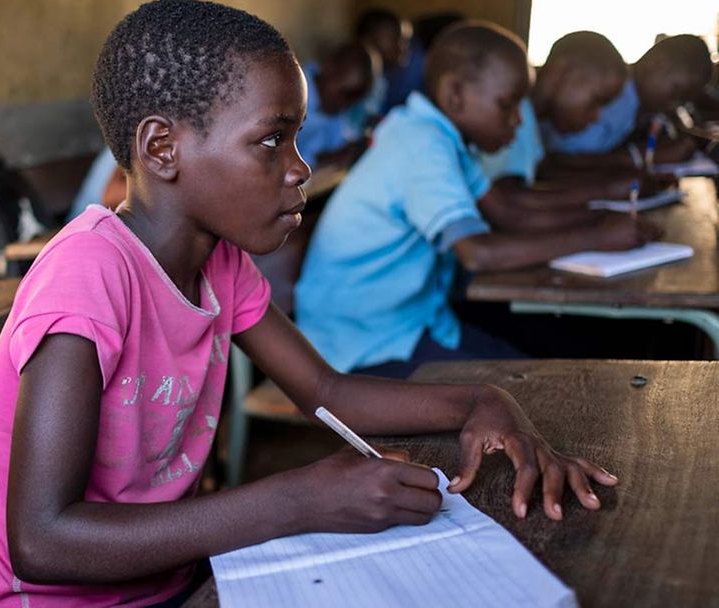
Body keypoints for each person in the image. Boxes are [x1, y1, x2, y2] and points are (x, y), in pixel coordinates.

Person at [0, 5, 621, 607]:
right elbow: (42, 541)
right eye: (271, 141)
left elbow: (325, 388)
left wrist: (484, 401)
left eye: (297, 140)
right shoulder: (86, 278)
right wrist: (297, 499)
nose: (299, 167)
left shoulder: (218, 262)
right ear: (162, 148)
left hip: (179, 577)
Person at [295, 21, 660, 379]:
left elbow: (508, 212)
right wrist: (596, 237)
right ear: (455, 94)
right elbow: (478, 252)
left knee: (540, 373)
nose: (518, 120)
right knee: (536, 390)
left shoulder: (445, 140)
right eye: (507, 105)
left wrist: (602, 224)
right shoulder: (421, 144)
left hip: (412, 322)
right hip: (357, 346)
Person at [478, 31, 652, 232]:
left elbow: (544, 174)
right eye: (597, 100)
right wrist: (604, 193)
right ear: (561, 71)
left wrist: (613, 179)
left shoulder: (531, 122)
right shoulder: (513, 118)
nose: (596, 116)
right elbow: (512, 198)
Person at [541, 34, 713, 169]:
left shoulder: (637, 105)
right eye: (676, 92)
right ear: (657, 63)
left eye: (682, 101)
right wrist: (643, 156)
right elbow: (564, 157)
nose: (674, 105)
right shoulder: (613, 93)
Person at [298, 43, 374, 170]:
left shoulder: (335, 115)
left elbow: (339, 143)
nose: (344, 103)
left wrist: (341, 154)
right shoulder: (292, 89)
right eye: (343, 92)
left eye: (352, 99)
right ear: (329, 67)